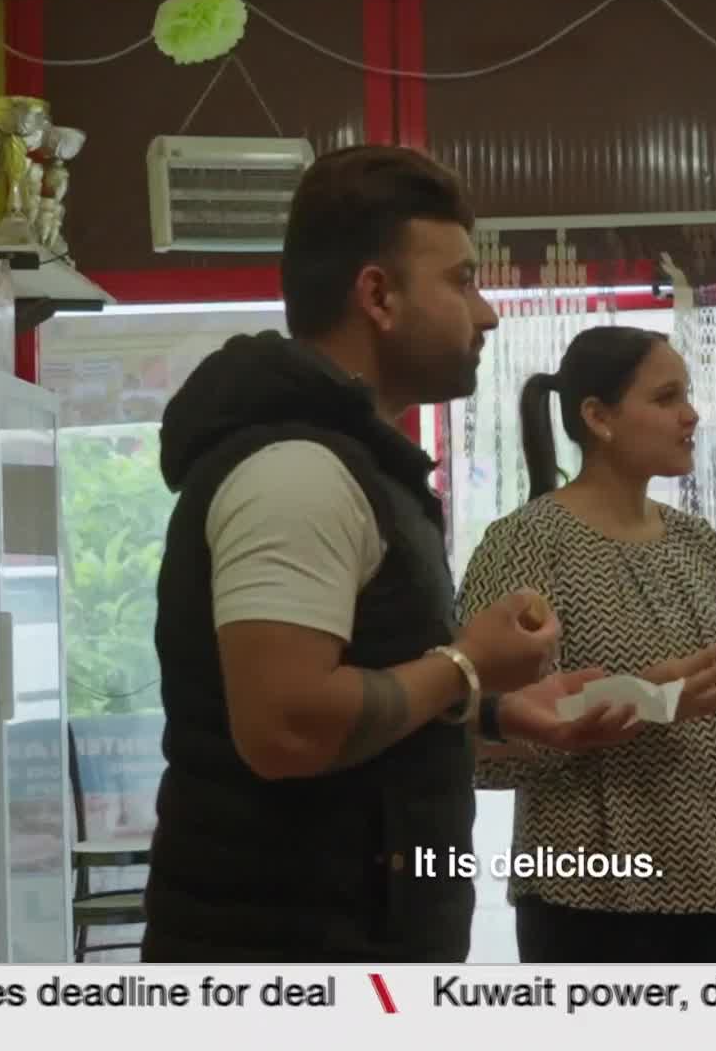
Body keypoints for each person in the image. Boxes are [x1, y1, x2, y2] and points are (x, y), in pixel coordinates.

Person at [141, 147, 645, 964]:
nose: (486, 314)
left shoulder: (357, 466)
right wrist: (467, 664)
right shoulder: (296, 474)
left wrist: (494, 708)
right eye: (460, 280)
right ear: (377, 294)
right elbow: (285, 727)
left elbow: (362, 689)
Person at [457, 324, 716, 963]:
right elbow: (477, 722)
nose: (691, 415)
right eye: (667, 398)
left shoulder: (697, 543)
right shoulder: (525, 544)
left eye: (686, 395)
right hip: (592, 894)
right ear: (598, 417)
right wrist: (641, 699)